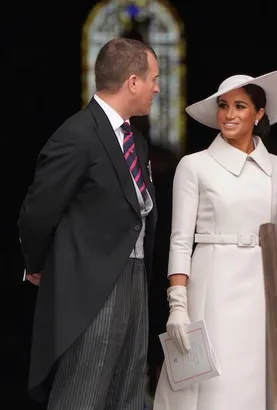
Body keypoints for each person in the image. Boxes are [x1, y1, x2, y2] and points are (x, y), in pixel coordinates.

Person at [18, 37, 159, 408]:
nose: (157, 87)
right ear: (132, 82)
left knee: (130, 388)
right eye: (153, 79)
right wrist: (38, 264)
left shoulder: (136, 141)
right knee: (84, 388)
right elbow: (37, 211)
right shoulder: (78, 134)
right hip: (94, 284)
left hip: (135, 276)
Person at [153, 71, 277, 409]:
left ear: (259, 113)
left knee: (259, 382)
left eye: (239, 106)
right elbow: (180, 240)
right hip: (212, 286)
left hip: (264, 292)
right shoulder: (194, 166)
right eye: (223, 106)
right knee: (214, 385)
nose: (229, 115)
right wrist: (177, 304)